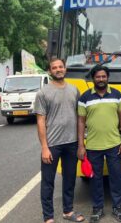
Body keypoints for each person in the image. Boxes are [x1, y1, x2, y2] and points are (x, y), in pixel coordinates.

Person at [33, 58, 85, 223]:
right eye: (54, 68)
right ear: (50, 71)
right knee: (48, 182)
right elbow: (40, 120)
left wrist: (81, 142)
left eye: (60, 67)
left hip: (72, 143)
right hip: (52, 145)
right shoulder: (43, 93)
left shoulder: (74, 90)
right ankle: (48, 217)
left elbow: (79, 116)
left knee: (69, 179)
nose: (58, 69)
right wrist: (44, 147)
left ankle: (68, 211)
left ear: (65, 69)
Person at [77, 65, 121, 223]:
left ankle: (118, 207)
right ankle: (97, 208)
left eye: (103, 76)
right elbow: (80, 122)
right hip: (92, 146)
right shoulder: (84, 97)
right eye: (98, 77)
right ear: (93, 78)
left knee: (116, 177)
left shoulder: (117, 95)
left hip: (114, 144)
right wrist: (81, 145)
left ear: (107, 77)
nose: (101, 79)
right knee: (95, 178)